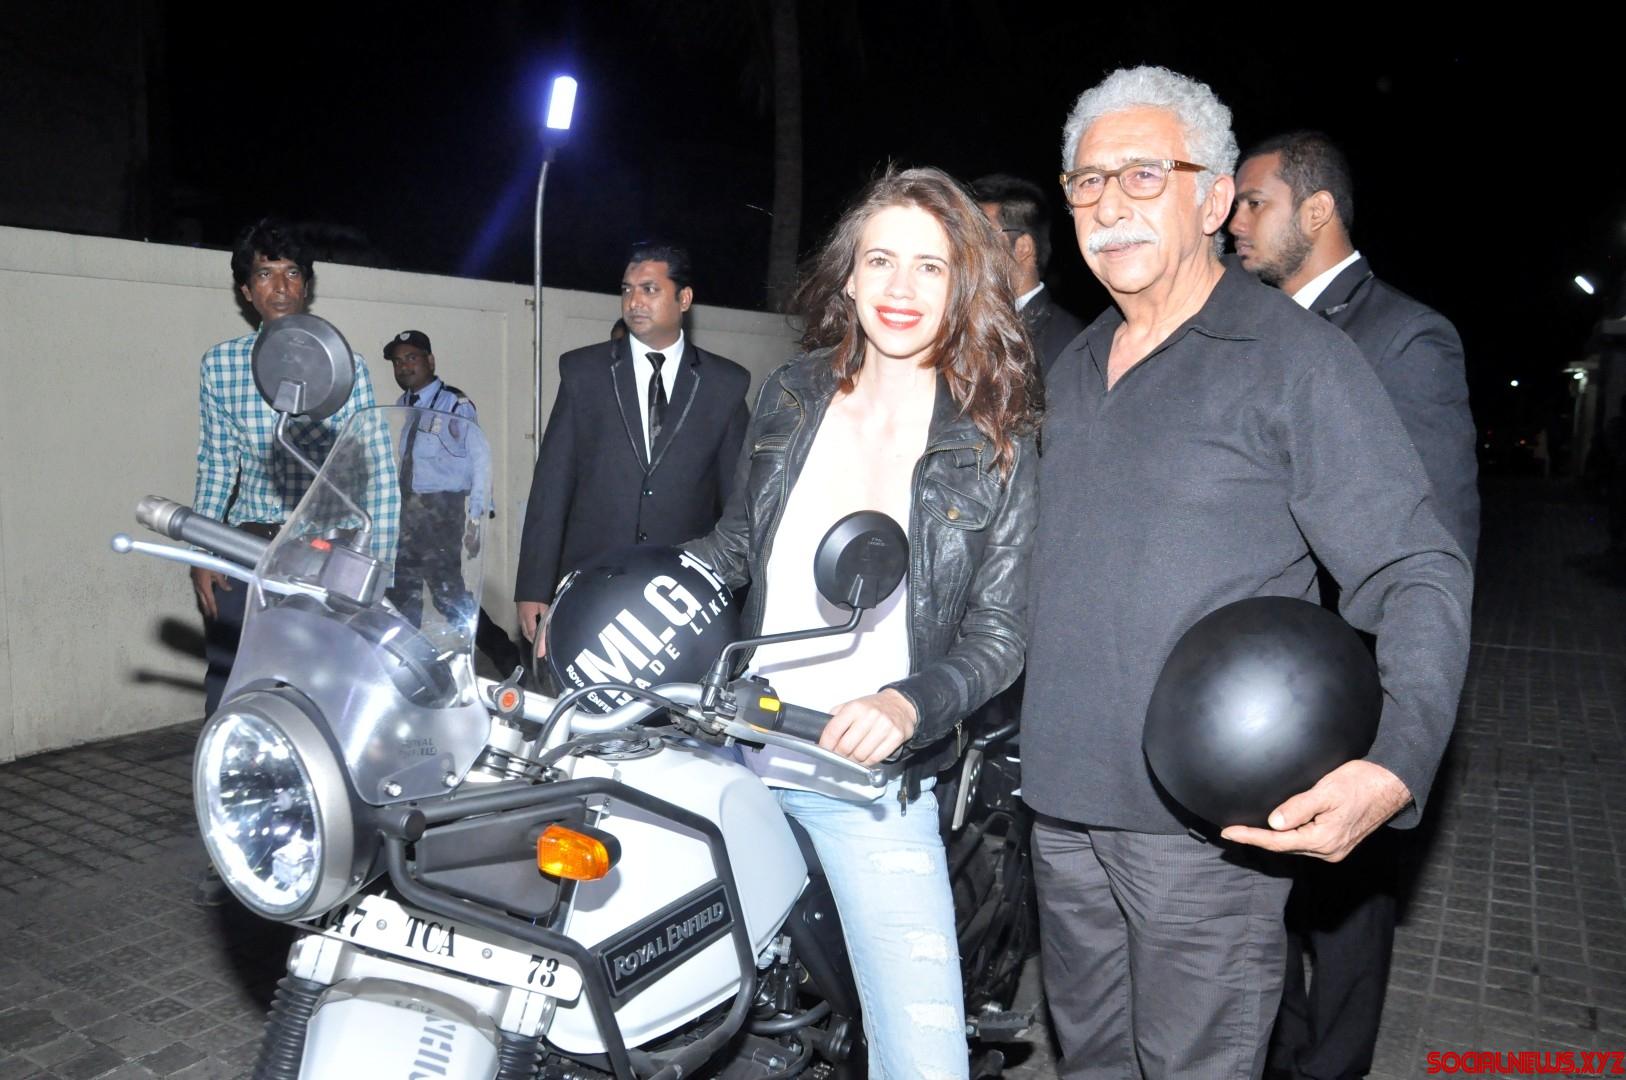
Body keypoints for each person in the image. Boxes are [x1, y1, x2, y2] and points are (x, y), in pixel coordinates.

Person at [1023, 66, 1472, 1079]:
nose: (1108, 205)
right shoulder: (1074, 368)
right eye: (1088, 182)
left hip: (1204, 838)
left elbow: (1417, 566)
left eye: (1144, 174)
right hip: (1059, 809)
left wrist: (1396, 761)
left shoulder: (1293, 360)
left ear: (1214, 197)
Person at [683, 166, 1039, 1076]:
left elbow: (1000, 634)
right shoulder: (792, 392)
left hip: (869, 786)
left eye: (930, 265)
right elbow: (733, 546)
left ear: (963, 285)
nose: (901, 287)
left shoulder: (995, 437)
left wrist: (906, 704)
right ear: (848, 276)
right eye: (881, 260)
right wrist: (629, 596)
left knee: (924, 1059)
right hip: (732, 751)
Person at [1229, 130, 1480, 1080]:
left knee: (1345, 910)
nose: (1233, 221)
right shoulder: (1241, 328)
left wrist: (1386, 709)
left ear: (1318, 210)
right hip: (1258, 679)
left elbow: (1433, 541)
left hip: (1350, 683)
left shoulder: (1404, 337)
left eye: (1254, 202)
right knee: (1266, 894)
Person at [191, 218, 387, 716]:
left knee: (325, 694)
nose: (279, 286)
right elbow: (217, 466)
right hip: (248, 549)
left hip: (328, 553)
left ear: (306, 286)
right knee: (231, 683)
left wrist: (380, 564)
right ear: (246, 291)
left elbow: (379, 473)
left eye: (292, 273)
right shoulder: (221, 366)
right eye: (264, 274)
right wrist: (203, 552)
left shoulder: (345, 368)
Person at [514, 243, 750, 655]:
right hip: (591, 583)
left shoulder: (725, 384)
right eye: (627, 290)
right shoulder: (584, 372)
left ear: (684, 298)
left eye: (649, 289)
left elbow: (738, 503)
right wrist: (533, 586)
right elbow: (551, 485)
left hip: (681, 592)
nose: (634, 301)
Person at [383, 330, 521, 674]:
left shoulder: (454, 405)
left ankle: (505, 654)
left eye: (411, 358)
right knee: (402, 592)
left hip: (441, 511)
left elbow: (480, 458)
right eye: (398, 362)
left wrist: (477, 515)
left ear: (430, 361)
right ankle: (405, 668)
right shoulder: (403, 405)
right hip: (408, 510)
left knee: (448, 594)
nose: (404, 367)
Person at [972, 173, 1088, 375]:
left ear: (1022, 247)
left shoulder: (1073, 346)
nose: (966, 248)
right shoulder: (963, 326)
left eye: (981, 236)